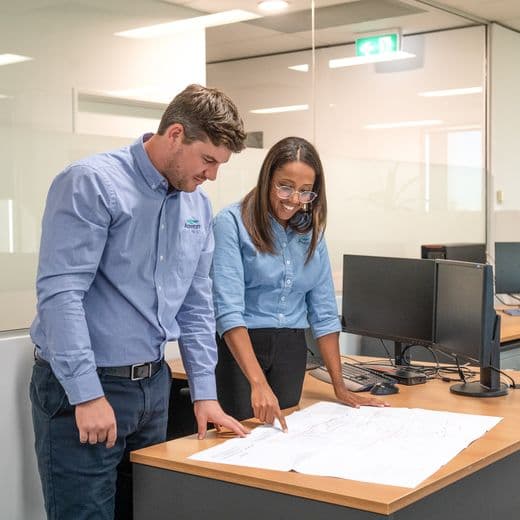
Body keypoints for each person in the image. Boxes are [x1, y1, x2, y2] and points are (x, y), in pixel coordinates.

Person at [29, 83, 249, 520]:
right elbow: (61, 295)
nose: (212, 176)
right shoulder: (92, 183)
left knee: (148, 511)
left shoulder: (197, 207)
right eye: (208, 160)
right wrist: (86, 394)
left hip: (153, 387)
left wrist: (205, 393)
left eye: (220, 165)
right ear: (174, 134)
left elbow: (196, 303)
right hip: (88, 389)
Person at [211, 136, 387, 431]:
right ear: (268, 178)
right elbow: (228, 312)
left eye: (306, 192)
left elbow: (324, 313)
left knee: (284, 436)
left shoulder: (312, 233)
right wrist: (258, 383)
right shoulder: (230, 223)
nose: (294, 199)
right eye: (285, 186)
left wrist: (340, 385)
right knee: (240, 441)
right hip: (241, 349)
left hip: (291, 349)